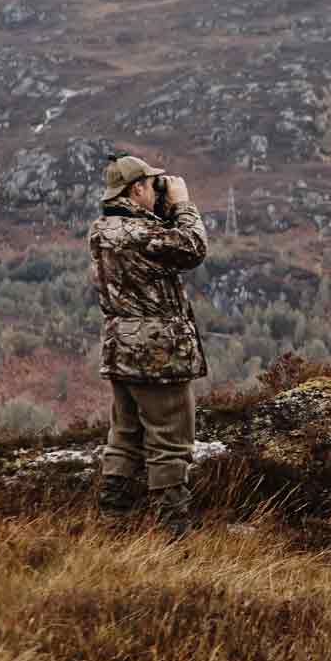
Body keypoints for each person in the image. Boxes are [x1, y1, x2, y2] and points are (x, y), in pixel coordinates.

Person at [89, 153, 209, 534]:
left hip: (121, 350)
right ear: (136, 188)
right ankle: (174, 534)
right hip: (158, 354)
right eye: (152, 185)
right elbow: (192, 247)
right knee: (170, 442)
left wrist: (162, 209)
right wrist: (183, 204)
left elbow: (158, 243)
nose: (158, 191)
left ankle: (113, 523)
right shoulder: (141, 235)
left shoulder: (102, 231)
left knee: (124, 438)